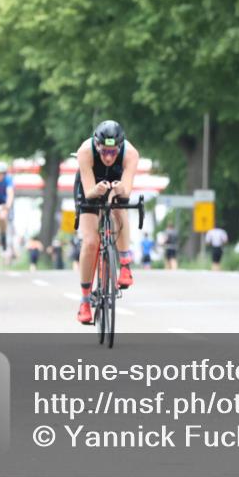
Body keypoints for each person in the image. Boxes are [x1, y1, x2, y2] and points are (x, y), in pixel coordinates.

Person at [74, 120, 140, 324]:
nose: (109, 157)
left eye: (113, 152)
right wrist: (98, 190)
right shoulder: (85, 151)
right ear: (97, 145)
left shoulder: (131, 154)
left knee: (120, 207)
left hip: (116, 183)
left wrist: (118, 190)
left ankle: (125, 264)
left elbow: (127, 191)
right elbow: (88, 192)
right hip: (91, 186)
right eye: (104, 152)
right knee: (91, 242)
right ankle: (85, 301)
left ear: (120, 147)